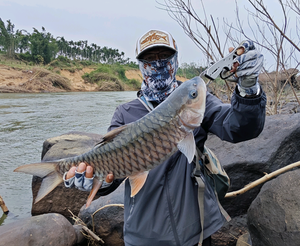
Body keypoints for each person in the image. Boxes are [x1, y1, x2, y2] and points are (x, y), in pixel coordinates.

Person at [64, 29, 266, 246]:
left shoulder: (195, 99)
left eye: (165, 57)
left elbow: (239, 128)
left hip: (195, 231)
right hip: (144, 235)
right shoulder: (125, 113)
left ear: (176, 60)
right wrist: (95, 180)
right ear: (140, 65)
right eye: (150, 58)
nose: (158, 64)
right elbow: (113, 174)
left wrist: (248, 87)